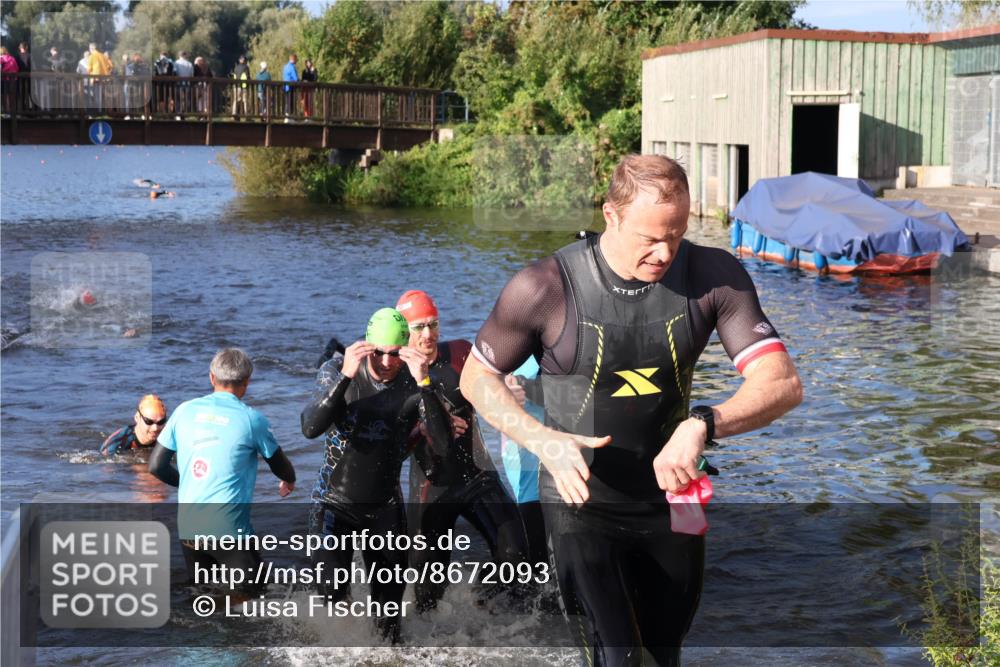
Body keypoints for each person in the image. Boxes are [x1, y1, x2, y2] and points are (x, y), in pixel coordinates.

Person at [459, 154, 803, 666]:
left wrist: (703, 424)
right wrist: (543, 441)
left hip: (671, 499)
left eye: (678, 233)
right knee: (617, 656)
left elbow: (782, 383)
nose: (664, 252)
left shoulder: (714, 277)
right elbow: (475, 378)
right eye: (650, 237)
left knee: (663, 658)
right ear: (611, 215)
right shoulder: (546, 288)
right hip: (580, 501)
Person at [300, 307, 452, 641]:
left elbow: (442, 444)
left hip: (384, 509)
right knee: (330, 593)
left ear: (406, 349)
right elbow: (310, 427)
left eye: (394, 353)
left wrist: (425, 383)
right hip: (333, 503)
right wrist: (345, 377)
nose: (386, 362)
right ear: (367, 346)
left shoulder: (417, 380)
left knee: (389, 621)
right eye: (379, 353)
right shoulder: (337, 370)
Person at [395, 290, 530, 612]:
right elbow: (386, 446)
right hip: (432, 487)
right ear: (404, 332)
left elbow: (493, 382)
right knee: (428, 591)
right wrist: (420, 430)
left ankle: (481, 601)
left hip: (478, 475)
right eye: (419, 328)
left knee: (516, 552)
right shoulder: (395, 374)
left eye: (433, 324)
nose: (428, 334)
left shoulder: (460, 352)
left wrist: (507, 389)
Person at [148, 348, 296, 596]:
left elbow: (156, 466)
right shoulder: (252, 419)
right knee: (257, 598)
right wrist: (289, 480)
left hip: (189, 529)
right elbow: (280, 465)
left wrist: (185, 482)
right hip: (229, 531)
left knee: (204, 599)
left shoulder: (184, 410)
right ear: (247, 382)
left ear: (211, 378)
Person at [100, 394, 168, 457]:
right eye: (149, 422)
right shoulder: (116, 445)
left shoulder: (168, 437)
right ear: (137, 418)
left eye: (161, 422)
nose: (155, 428)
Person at [173, 51, 193, 116]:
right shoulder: (189, 64)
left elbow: (175, 73)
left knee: (178, 98)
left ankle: (179, 112)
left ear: (179, 55)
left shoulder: (176, 63)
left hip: (179, 83)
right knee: (187, 98)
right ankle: (186, 112)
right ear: (185, 55)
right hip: (187, 83)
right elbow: (191, 74)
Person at [282, 53, 297, 120]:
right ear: (294, 59)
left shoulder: (285, 66)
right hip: (291, 86)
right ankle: (290, 117)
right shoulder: (292, 67)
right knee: (291, 101)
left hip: (285, 86)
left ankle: (286, 116)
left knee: (287, 101)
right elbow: (295, 78)